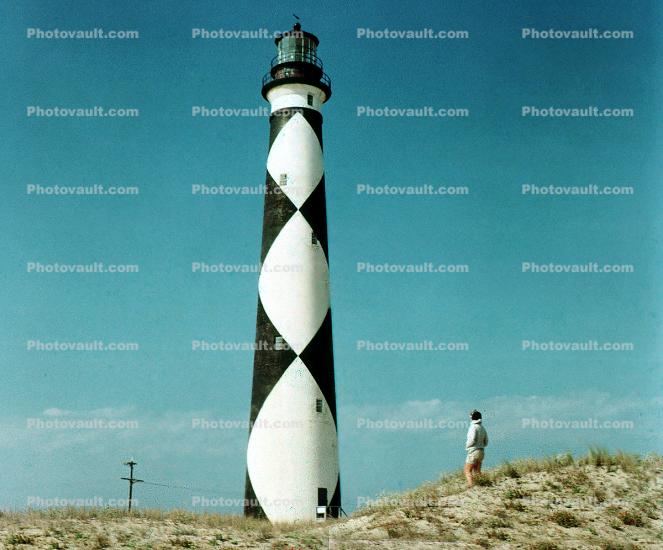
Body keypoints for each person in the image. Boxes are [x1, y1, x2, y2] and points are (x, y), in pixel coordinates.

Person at [464, 409, 488, 487]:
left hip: (473, 450)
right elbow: (486, 441)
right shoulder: (482, 427)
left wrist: (467, 446)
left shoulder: (473, 427)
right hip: (481, 451)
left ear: (472, 418)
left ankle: (471, 486)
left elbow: (472, 439)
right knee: (477, 471)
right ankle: (483, 484)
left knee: (467, 470)